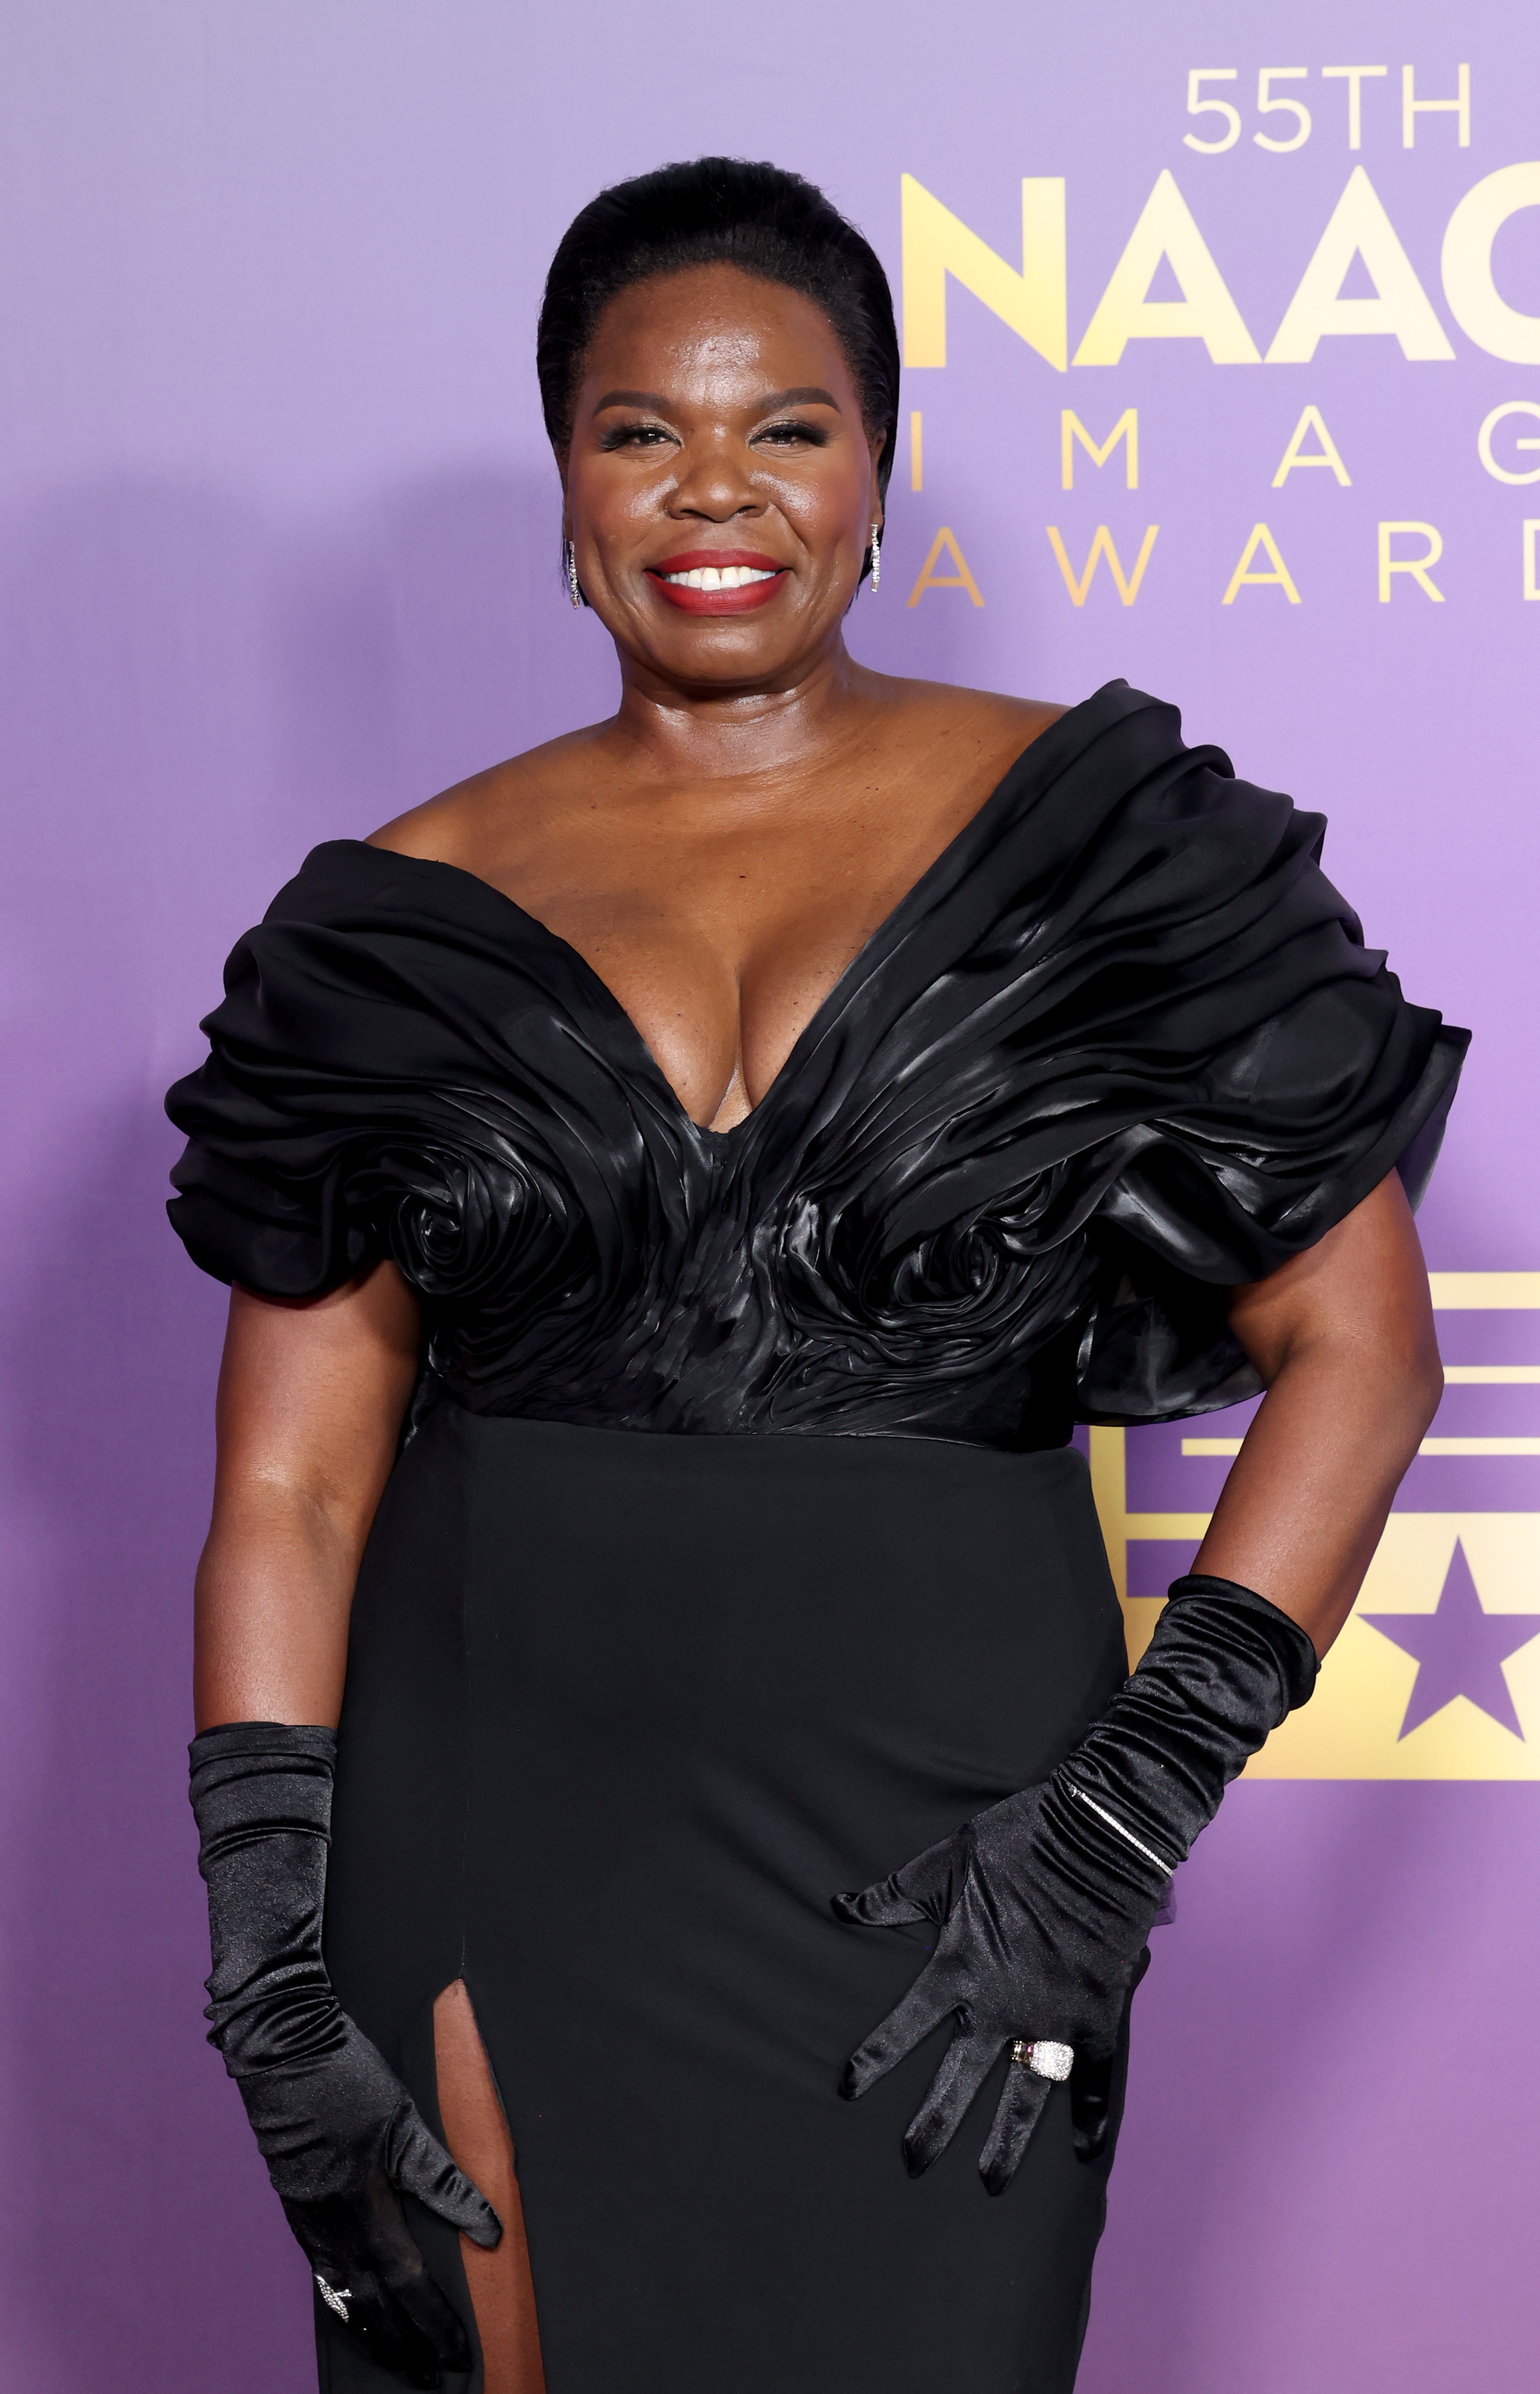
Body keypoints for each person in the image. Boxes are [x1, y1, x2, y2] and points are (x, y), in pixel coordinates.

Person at [166, 157, 1466, 2394]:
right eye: (636, 426)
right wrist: (273, 1960)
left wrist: (1119, 1821)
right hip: (490, 1823)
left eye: (786, 425)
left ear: (879, 477)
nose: (713, 487)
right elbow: (289, 1486)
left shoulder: (1109, 847)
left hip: (959, 1861)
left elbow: (1360, 1346)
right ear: (562, 484)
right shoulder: (380, 924)